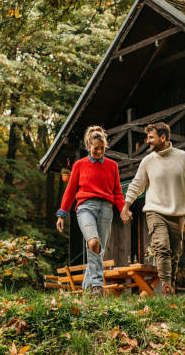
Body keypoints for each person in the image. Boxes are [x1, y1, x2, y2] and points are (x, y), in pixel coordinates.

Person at [121, 122, 185, 296]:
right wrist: (126, 206)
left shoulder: (182, 157)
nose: (148, 141)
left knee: (174, 254)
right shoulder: (147, 161)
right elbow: (136, 185)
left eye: (151, 137)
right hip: (154, 211)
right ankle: (165, 286)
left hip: (177, 214)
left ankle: (169, 288)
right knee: (162, 248)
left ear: (163, 137)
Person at [56, 126, 125, 295]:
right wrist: (62, 214)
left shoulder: (112, 166)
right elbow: (70, 191)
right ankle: (97, 285)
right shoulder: (79, 165)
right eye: (96, 149)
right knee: (93, 243)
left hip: (106, 209)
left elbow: (117, 192)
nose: (99, 151)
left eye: (102, 148)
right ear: (88, 146)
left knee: (97, 251)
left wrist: (123, 210)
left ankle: (87, 289)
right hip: (85, 207)